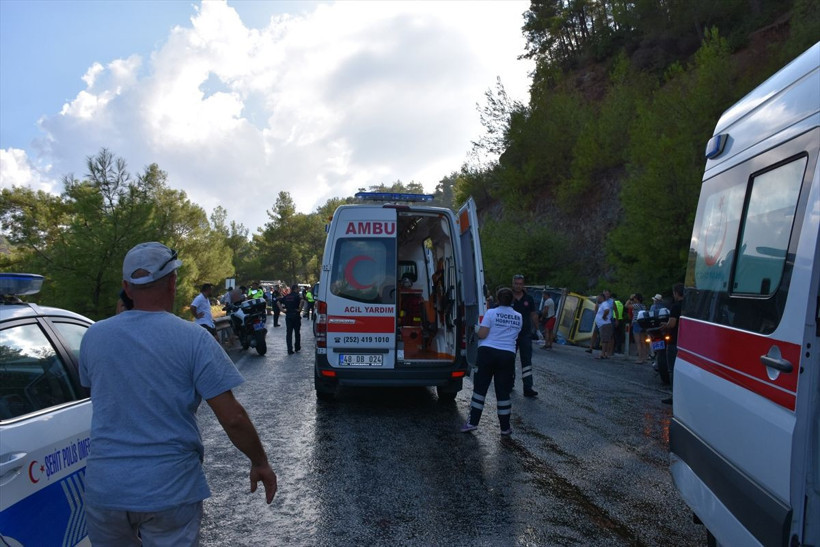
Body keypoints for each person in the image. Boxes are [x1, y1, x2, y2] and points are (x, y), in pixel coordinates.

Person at [79, 242, 277, 545]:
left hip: (105, 489)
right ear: (172, 282)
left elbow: (103, 395)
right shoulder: (193, 338)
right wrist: (259, 461)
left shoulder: (93, 336)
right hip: (169, 488)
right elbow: (233, 417)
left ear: (126, 288)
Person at [461, 287, 522, 435]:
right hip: (507, 355)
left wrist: (474, 328)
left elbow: (482, 334)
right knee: (503, 392)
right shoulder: (518, 316)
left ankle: (472, 422)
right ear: (511, 299)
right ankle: (505, 427)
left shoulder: (491, 313)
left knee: (480, 389)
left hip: (487, 353)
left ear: (497, 299)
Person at [511, 274, 539, 397]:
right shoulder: (508, 297)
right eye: (516, 283)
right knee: (509, 360)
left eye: (520, 283)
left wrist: (537, 330)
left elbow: (533, 314)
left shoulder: (529, 298)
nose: (518, 286)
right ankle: (509, 384)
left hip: (525, 334)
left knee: (526, 361)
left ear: (523, 284)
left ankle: (528, 388)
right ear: (513, 284)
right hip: (510, 335)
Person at [661, 283, 684, 405]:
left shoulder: (675, 307)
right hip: (684, 341)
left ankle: (674, 396)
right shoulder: (688, 306)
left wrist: (665, 325)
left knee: (672, 370)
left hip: (674, 340)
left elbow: (672, 324)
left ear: (676, 293)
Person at [280, 283, 303, 354]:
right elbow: (302, 301)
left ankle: (289, 349)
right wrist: (300, 309)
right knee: (297, 333)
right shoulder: (297, 296)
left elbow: (278, 302)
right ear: (295, 289)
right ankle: (297, 347)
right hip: (296, 316)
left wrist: (282, 310)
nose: (299, 290)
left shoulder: (287, 296)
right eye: (298, 288)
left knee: (289, 333)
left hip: (288, 316)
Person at [628, 293, 649, 364]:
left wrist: (630, 299)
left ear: (636, 299)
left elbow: (626, 305)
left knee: (638, 342)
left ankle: (640, 358)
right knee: (643, 342)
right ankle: (645, 358)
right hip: (642, 324)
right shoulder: (643, 306)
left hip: (636, 323)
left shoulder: (636, 305)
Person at [593, 293, 613, 359]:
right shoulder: (602, 304)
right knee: (605, 340)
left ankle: (602, 354)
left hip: (605, 325)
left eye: (598, 298)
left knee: (604, 340)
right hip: (603, 325)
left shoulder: (604, 304)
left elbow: (607, 310)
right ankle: (604, 354)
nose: (597, 299)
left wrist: (604, 316)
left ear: (601, 298)